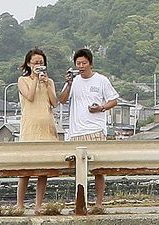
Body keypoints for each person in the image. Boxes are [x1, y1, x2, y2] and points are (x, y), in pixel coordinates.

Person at [56, 48, 119, 212]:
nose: (81, 66)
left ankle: (98, 203)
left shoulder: (101, 80)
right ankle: (81, 203)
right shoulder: (74, 81)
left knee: (98, 169)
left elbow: (114, 100)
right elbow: (61, 100)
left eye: (84, 63)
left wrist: (101, 108)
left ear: (90, 63)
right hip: (76, 131)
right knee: (79, 171)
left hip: (96, 129)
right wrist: (68, 84)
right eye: (78, 63)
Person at [14, 49, 59, 214]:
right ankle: (19, 204)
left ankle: (38, 204)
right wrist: (35, 80)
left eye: (41, 63)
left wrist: (47, 84)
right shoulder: (22, 80)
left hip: (47, 127)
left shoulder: (50, 82)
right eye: (35, 63)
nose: (39, 66)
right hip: (30, 128)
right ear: (28, 64)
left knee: (43, 170)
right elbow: (30, 97)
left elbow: (54, 102)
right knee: (25, 169)